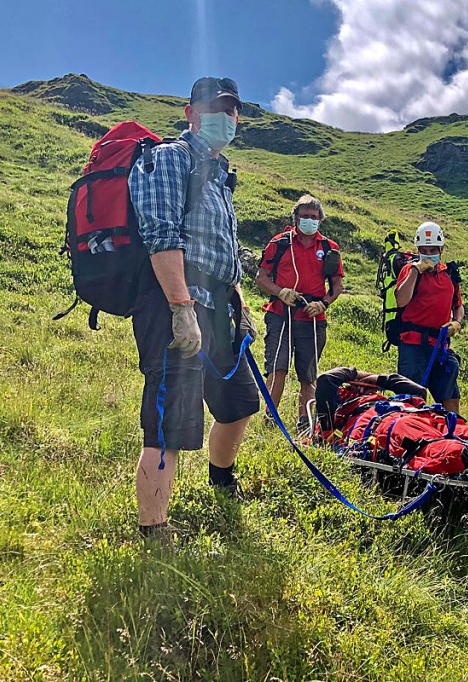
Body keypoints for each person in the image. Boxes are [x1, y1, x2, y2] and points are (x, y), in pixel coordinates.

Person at [127, 76, 260, 537]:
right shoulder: (170, 158)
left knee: (240, 403)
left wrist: (238, 304)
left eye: (232, 110)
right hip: (174, 307)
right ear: (191, 112)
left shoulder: (222, 178)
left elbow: (222, 253)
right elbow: (160, 233)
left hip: (220, 312)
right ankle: (155, 531)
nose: (225, 117)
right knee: (170, 427)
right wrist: (182, 309)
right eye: (214, 107)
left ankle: (221, 480)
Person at [254, 195, 344, 430]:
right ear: (295, 218)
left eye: (313, 217)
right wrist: (280, 291)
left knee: (308, 373)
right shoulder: (280, 243)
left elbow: (337, 285)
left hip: (313, 317)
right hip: (280, 313)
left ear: (320, 221)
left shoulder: (329, 249)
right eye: (304, 216)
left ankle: (305, 422)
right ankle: (270, 418)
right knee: (277, 367)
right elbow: (261, 277)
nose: (309, 221)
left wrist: (324, 303)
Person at [392, 222, 464, 412]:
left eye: (433, 249)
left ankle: (454, 434)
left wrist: (457, 322)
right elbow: (401, 300)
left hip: (440, 346)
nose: (429, 253)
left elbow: (458, 305)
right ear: (418, 249)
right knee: (410, 399)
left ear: (441, 249)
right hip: (413, 345)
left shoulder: (449, 273)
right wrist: (416, 270)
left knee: (450, 396)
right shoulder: (409, 271)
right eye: (424, 249)